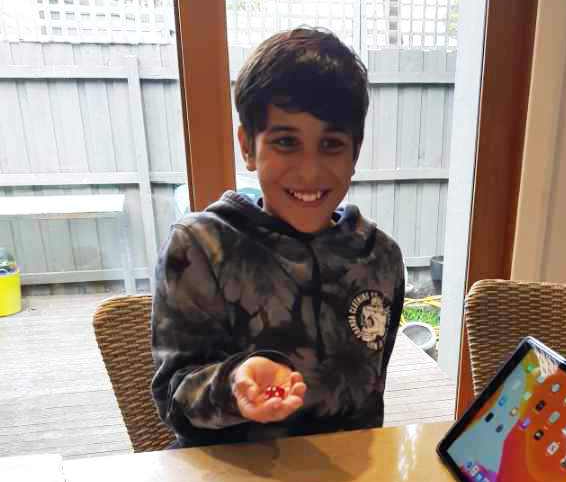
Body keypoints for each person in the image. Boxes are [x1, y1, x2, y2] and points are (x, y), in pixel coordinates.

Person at [151, 27, 405, 447]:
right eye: (286, 142)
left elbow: (369, 400)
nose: (309, 171)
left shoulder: (380, 258)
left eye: (331, 144)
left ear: (355, 153)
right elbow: (173, 398)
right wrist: (235, 385)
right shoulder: (199, 248)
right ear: (248, 147)